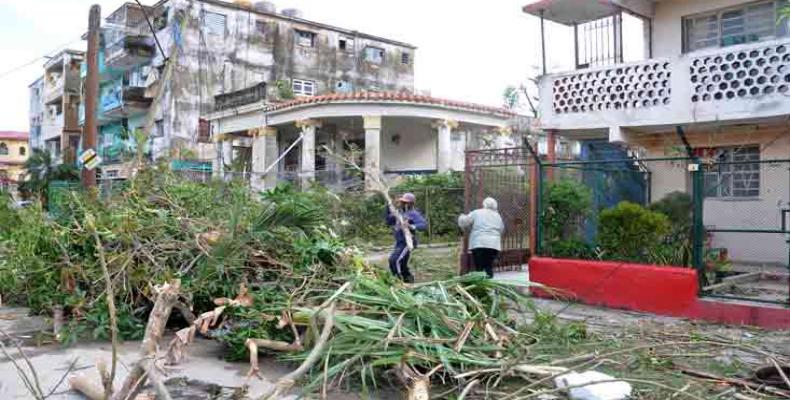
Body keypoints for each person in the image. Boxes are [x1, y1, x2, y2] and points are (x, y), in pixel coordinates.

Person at [458, 197, 504, 278]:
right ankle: (489, 283)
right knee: (489, 266)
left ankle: (480, 285)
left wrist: (461, 216)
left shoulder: (477, 212)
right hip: (493, 245)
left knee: (479, 267)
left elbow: (464, 222)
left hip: (479, 243)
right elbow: (501, 229)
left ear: (484, 204)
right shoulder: (497, 216)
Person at [386, 192, 427, 283]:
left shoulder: (413, 214)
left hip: (407, 242)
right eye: (402, 202)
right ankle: (408, 278)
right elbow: (389, 221)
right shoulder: (398, 213)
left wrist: (411, 226)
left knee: (394, 260)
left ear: (410, 204)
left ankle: (398, 280)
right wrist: (388, 207)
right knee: (402, 263)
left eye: (405, 202)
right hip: (399, 242)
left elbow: (423, 225)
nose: (402, 204)